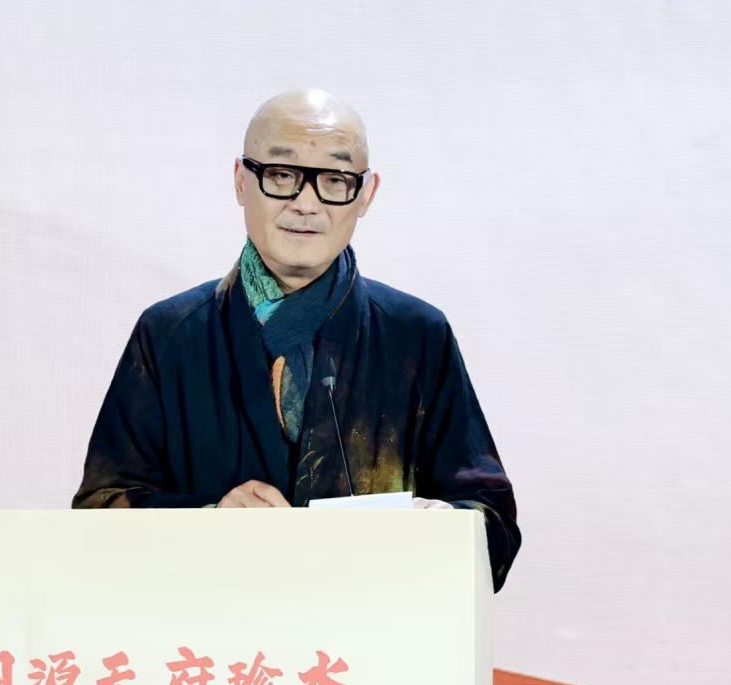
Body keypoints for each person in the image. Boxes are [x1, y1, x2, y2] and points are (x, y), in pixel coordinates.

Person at [73, 89, 520, 591]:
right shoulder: (170, 333)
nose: (306, 204)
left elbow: (494, 521)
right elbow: (98, 514)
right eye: (282, 175)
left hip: (371, 625)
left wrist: (444, 524)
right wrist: (208, 517)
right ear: (241, 181)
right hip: (212, 622)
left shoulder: (416, 334)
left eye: (334, 180)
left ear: (366, 194)